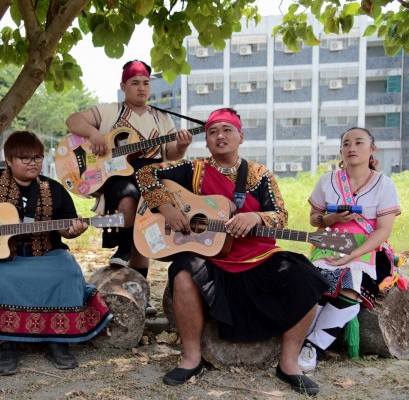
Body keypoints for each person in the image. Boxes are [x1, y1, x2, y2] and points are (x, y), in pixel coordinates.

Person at [135, 108, 329, 395]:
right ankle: (191, 359)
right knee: (182, 273)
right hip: (211, 257)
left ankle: (289, 364)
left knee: (308, 277)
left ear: (241, 136)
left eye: (227, 130)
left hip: (258, 256)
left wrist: (257, 218)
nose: (219, 136)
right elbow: (146, 173)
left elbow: (280, 215)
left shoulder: (260, 175)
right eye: (213, 132)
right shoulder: (195, 169)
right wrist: (168, 209)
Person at [0, 130, 112, 376]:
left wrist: (73, 231)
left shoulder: (53, 189)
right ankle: (6, 344)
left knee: (69, 272)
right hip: (2, 258)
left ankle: (58, 340)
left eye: (37, 157)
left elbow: (66, 229)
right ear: (9, 160)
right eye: (25, 158)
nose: (33, 163)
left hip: (46, 255)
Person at [65, 60, 193, 313]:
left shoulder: (162, 117)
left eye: (146, 83)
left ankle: (139, 296)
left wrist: (182, 145)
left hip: (153, 178)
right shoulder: (110, 111)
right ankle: (124, 245)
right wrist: (94, 134)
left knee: (145, 230)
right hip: (118, 177)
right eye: (135, 83)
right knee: (130, 200)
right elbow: (73, 120)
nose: (142, 88)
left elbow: (171, 154)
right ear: (123, 86)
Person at [298, 127, 404, 371]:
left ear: (372, 149)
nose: (352, 148)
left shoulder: (384, 185)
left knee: (350, 280)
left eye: (358, 142)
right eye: (346, 144)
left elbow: (383, 231)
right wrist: (330, 220)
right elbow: (314, 219)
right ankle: (300, 341)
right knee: (314, 283)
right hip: (329, 244)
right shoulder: (327, 181)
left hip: (369, 249)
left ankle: (312, 346)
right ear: (341, 150)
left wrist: (354, 254)